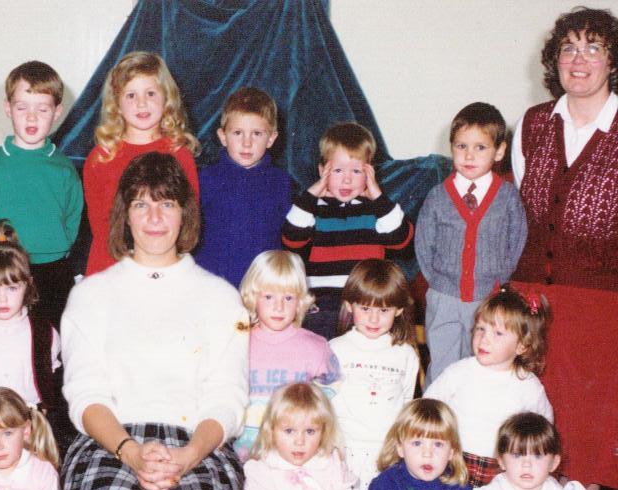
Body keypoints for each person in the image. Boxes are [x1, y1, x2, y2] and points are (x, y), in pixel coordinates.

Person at [52, 151, 248, 490]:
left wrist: (188, 456)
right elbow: (85, 395)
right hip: (111, 442)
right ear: (125, 215)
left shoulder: (221, 297)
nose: (154, 217)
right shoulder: (90, 295)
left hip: (198, 446)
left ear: (184, 214)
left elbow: (227, 399)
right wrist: (131, 452)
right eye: (141, 204)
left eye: (167, 203)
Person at [511, 6, 618, 490]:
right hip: (529, 305)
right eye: (568, 48)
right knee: (526, 436)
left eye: (593, 47)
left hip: (600, 310)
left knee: (584, 443)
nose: (579, 59)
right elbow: (514, 216)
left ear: (612, 62)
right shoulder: (532, 125)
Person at [416, 102, 527, 385]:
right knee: (442, 367)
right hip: (444, 297)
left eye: (480, 147)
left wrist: (497, 280)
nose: (469, 155)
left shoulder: (507, 197)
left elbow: (516, 241)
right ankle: (437, 424)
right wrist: (441, 283)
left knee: (482, 367)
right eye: (461, 146)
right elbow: (424, 245)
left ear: (499, 151)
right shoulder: (438, 196)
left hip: (487, 299)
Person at [0, 61, 82, 328]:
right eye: (22, 108)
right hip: (5, 270)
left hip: (54, 269)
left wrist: (58, 245)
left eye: (42, 109)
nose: (31, 118)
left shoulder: (64, 167)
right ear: (8, 109)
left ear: (57, 112)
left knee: (52, 342)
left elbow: (73, 214)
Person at [281, 122, 413, 340]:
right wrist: (313, 193)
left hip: (366, 303)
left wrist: (378, 196)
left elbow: (401, 240)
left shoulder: (377, 209)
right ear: (322, 171)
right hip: (322, 304)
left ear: (370, 172)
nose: (347, 179)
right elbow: (291, 239)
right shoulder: (312, 208)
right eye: (338, 170)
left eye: (357, 171)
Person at [0, 221, 71, 453]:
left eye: (12, 288)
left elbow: (51, 386)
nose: (2, 299)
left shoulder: (44, 332)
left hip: (33, 431)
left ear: (28, 285)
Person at [83, 51, 200, 275]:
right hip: (110, 267)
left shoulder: (180, 154)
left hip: (163, 265)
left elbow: (188, 220)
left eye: (150, 93)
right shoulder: (100, 158)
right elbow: (100, 227)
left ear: (167, 98)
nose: (142, 103)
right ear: (116, 103)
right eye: (130, 95)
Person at [425, 286, 552, 487]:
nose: (484, 338)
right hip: (453, 465)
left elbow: (542, 434)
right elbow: (427, 409)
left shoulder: (529, 388)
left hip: (502, 474)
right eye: (481, 328)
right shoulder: (459, 372)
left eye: (498, 333)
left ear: (522, 346)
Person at [329, 261, 419, 490]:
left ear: (399, 310)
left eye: (384, 310)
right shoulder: (335, 349)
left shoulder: (405, 354)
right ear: (349, 305)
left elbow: (405, 405)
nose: (373, 318)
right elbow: (324, 405)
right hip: (343, 452)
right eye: (365, 308)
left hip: (385, 455)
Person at [235, 250, 339, 462]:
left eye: (288, 297)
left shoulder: (315, 346)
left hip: (295, 459)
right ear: (253, 297)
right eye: (269, 296)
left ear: (300, 301)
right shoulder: (238, 342)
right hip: (241, 457)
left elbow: (332, 395)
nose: (279, 306)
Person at [195, 87, 292, 287]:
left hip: (264, 288)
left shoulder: (281, 182)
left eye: (257, 133)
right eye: (238, 132)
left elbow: (289, 242)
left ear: (271, 138)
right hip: (214, 286)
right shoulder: (206, 178)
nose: (246, 143)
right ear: (223, 136)